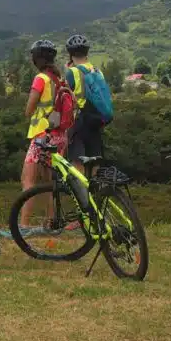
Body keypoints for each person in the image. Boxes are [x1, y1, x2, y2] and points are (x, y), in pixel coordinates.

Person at [17, 40, 68, 236]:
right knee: (48, 183)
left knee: (28, 180)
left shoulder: (40, 79)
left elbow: (28, 110)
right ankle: (50, 223)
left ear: (37, 59)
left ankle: (23, 226)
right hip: (59, 136)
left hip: (42, 137)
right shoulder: (58, 79)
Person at [64, 34, 105, 176]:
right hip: (97, 120)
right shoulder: (97, 71)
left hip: (80, 122)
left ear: (70, 54)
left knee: (78, 162)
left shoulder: (72, 72)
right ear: (87, 52)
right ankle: (95, 189)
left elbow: (65, 98)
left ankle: (81, 190)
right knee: (95, 161)